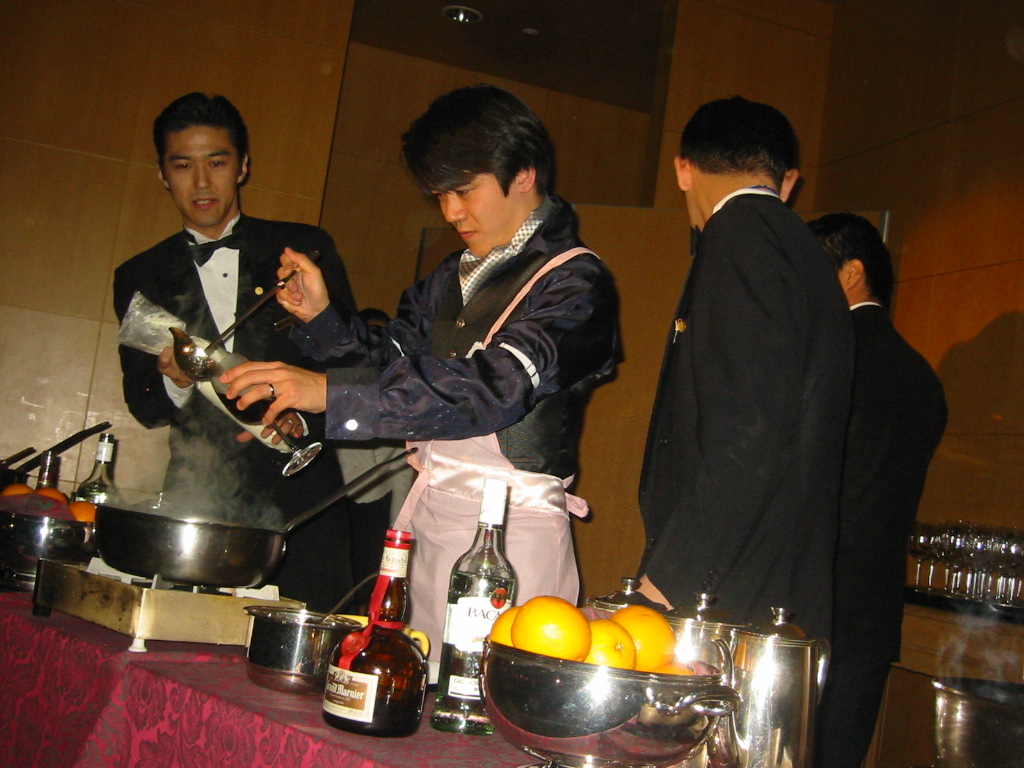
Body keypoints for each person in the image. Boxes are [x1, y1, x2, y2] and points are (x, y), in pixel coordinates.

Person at [222, 84, 621, 672]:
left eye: (463, 191)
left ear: (523, 174)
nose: (451, 213)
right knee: (419, 681)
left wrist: (329, 393)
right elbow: (393, 359)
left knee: (490, 695)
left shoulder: (575, 282)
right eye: (440, 195)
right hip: (431, 516)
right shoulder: (452, 275)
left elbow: (495, 386)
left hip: (515, 533)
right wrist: (323, 318)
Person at [113, 92, 357, 612]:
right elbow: (144, 404)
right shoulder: (140, 276)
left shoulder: (302, 249)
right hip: (199, 501)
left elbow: (350, 362)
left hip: (303, 499)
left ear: (243, 166)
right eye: (183, 165)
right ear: (163, 174)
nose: (202, 183)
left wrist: (301, 412)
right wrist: (175, 380)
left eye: (217, 163)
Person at [635, 96, 854, 643]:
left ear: (683, 169)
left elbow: (749, 433)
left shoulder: (739, 235)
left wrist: (667, 580)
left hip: (730, 590)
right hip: (779, 578)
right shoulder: (800, 248)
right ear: (786, 180)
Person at [809, 213, 947, 768]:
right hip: (872, 608)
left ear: (852, 273)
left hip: (807, 604)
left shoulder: (829, 361)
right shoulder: (922, 378)